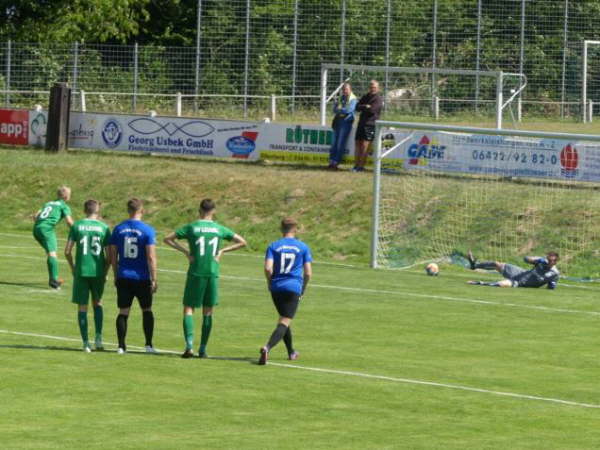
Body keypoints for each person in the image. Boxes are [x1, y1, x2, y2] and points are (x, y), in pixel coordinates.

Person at [164, 199, 247, 359]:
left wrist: (186, 251)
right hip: (212, 272)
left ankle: (189, 346)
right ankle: (202, 349)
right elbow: (242, 242)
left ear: (199, 210)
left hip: (196, 271)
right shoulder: (219, 229)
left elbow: (167, 239)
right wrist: (222, 251)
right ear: (213, 211)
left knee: (189, 309)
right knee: (208, 311)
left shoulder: (192, 227)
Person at [258, 218, 312, 366]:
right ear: (295, 229)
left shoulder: (273, 246)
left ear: (281, 229)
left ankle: (291, 352)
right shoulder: (303, 247)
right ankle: (267, 347)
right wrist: (303, 289)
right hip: (293, 287)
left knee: (284, 319)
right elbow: (308, 273)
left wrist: (270, 282)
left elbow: (268, 268)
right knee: (285, 321)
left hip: (276, 287)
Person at [109, 198, 158, 354]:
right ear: (142, 210)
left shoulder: (118, 229)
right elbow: (151, 257)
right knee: (147, 310)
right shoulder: (148, 230)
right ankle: (149, 345)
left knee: (123, 312)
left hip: (124, 275)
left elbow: (113, 255)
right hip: (142, 277)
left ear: (128, 210)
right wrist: (154, 278)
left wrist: (116, 275)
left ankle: (121, 346)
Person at [64, 200, 111, 352]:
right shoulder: (104, 227)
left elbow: (67, 251)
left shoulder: (76, 226)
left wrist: (73, 268)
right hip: (97, 272)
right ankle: (98, 338)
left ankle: (85, 343)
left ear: (85, 210)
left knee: (82, 307)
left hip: (81, 271)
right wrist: (105, 272)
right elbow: (109, 256)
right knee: (98, 303)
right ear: (98, 211)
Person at [33, 186, 74, 289]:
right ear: (66, 196)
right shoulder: (64, 206)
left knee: (49, 253)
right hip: (47, 230)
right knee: (52, 253)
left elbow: (35, 216)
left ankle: (53, 277)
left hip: (37, 228)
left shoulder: (48, 203)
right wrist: (77, 231)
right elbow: (69, 222)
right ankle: (54, 280)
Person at [466, 250, 559, 289]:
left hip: (521, 283)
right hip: (520, 273)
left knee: (503, 284)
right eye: (547, 258)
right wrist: (538, 260)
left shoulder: (554, 274)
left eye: (550, 260)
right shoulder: (541, 261)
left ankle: (479, 283)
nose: (548, 261)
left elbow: (551, 288)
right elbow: (526, 259)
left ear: (555, 262)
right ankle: (474, 265)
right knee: (496, 264)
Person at [353, 80, 384, 172]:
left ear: (378, 88)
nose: (372, 89)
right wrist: (365, 106)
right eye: (371, 87)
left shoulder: (378, 99)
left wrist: (364, 107)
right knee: (357, 144)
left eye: (374, 87)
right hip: (361, 123)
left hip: (371, 124)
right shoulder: (365, 96)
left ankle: (361, 166)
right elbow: (357, 107)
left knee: (365, 146)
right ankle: (356, 165)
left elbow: (372, 110)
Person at [328, 82, 357, 170]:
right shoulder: (341, 98)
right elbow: (334, 109)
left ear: (350, 90)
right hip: (337, 121)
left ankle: (336, 163)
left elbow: (349, 110)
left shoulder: (353, 99)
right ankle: (331, 162)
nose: (345, 91)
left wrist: (339, 110)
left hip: (346, 122)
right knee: (334, 143)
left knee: (340, 143)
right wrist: (340, 110)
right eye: (343, 89)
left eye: (346, 89)